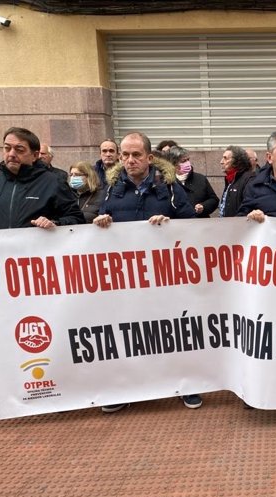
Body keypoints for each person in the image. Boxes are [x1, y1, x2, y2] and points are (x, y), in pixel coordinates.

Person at [93, 131, 200, 412]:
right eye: (125, 155)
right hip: (127, 278)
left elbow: (191, 222)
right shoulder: (112, 186)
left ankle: (185, 385)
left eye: (136, 155)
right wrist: (101, 221)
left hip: (165, 275)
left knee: (174, 329)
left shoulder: (170, 186)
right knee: (126, 331)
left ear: (149, 158)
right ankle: (125, 389)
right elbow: (100, 218)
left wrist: (170, 224)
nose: (130, 160)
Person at [0, 127, 85, 251]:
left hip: (40, 260)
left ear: (34, 155)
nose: (11, 154)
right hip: (1, 261)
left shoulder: (53, 182)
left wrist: (54, 223)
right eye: (7, 148)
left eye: (19, 150)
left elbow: (76, 218)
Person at [167, 146, 219, 218]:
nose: (187, 163)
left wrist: (203, 206)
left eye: (188, 159)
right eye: (183, 161)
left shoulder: (200, 179)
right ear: (174, 164)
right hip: (178, 225)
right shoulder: (168, 183)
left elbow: (214, 200)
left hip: (200, 223)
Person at [218, 145, 254, 218]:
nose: (221, 162)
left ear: (237, 161)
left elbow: (247, 208)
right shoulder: (230, 179)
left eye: (225, 158)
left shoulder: (249, 179)